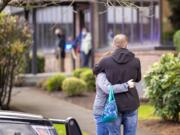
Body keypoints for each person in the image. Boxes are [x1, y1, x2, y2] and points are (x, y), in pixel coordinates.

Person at [93, 34, 141, 135]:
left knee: (114, 133)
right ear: (126, 44)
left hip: (114, 105)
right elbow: (138, 79)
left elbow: (95, 70)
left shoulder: (106, 61)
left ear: (114, 44)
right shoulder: (136, 61)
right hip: (131, 103)